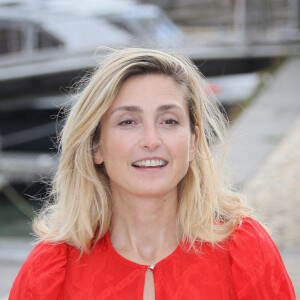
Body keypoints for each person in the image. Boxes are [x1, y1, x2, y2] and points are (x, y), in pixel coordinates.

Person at [9, 48, 295, 299]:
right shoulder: (49, 270)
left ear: (193, 141)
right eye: (128, 121)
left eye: (169, 120)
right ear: (96, 145)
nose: (151, 139)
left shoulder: (245, 251)